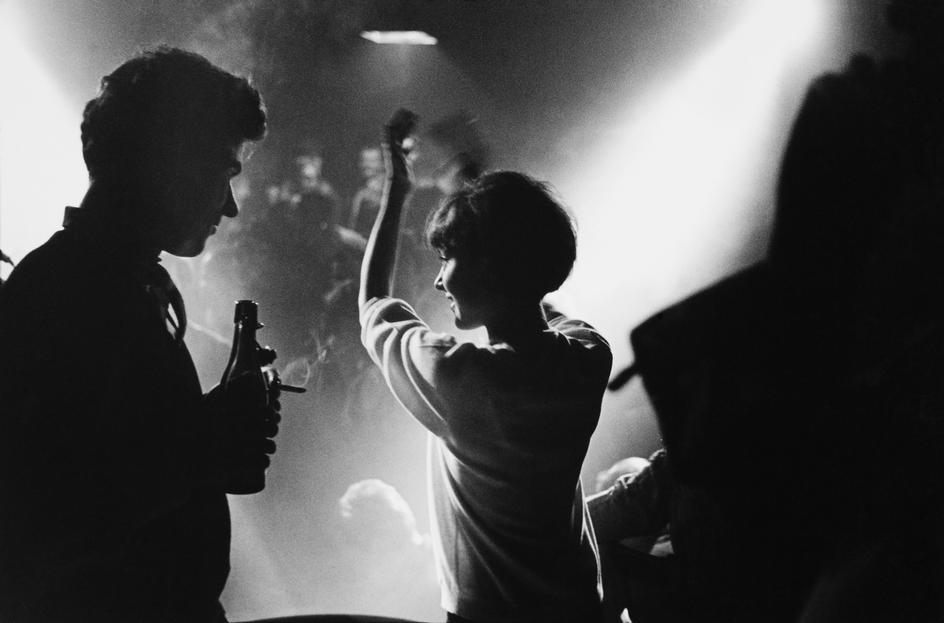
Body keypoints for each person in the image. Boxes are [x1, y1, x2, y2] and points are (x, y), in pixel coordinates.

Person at [0, 47, 279, 623]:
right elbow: (40, 517)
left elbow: (111, 452)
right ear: (169, 160)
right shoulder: (67, 290)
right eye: (222, 172)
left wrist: (207, 433)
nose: (228, 207)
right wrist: (202, 446)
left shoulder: (113, 281)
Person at [359, 109, 611, 623]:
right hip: (580, 608)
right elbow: (532, 287)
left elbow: (372, 301)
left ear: (489, 266)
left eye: (446, 257)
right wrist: (481, 199)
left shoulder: (457, 376)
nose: (438, 281)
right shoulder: (588, 356)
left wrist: (398, 190)